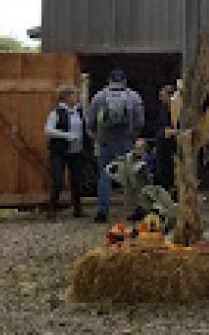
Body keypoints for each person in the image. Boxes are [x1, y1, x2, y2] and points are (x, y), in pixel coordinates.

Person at [86, 68, 145, 223]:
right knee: (131, 175)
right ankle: (136, 208)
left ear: (109, 80)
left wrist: (95, 135)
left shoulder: (99, 96)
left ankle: (102, 212)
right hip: (126, 139)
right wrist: (134, 136)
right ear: (124, 80)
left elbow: (90, 120)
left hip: (105, 141)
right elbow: (140, 121)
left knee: (105, 175)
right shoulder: (133, 96)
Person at [44, 84, 88, 220]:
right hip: (59, 151)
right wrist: (66, 135)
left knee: (77, 180)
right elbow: (48, 130)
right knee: (58, 181)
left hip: (76, 150)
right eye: (75, 95)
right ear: (67, 97)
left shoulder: (80, 111)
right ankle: (52, 209)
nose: (78, 98)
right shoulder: (56, 112)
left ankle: (78, 209)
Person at [152, 84, 177, 191]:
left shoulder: (176, 109)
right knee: (161, 171)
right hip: (162, 144)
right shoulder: (163, 109)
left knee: (170, 171)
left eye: (162, 95)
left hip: (171, 145)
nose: (160, 98)